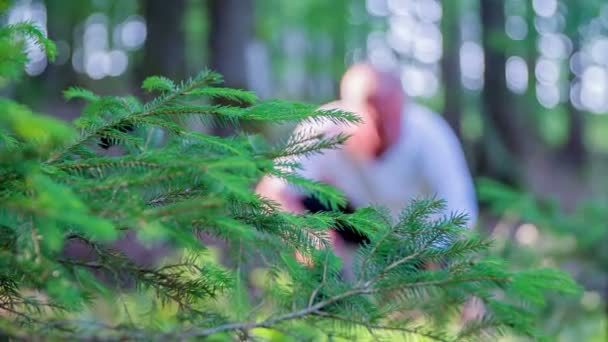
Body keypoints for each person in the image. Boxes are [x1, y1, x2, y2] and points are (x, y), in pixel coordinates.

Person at [256, 63, 477, 277]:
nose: (388, 131)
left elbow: (461, 214)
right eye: (376, 119)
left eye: (395, 116)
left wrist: (431, 261)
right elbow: (271, 192)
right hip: (357, 219)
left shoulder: (431, 135)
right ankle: (326, 304)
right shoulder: (323, 127)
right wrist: (305, 234)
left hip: (417, 237)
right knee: (308, 203)